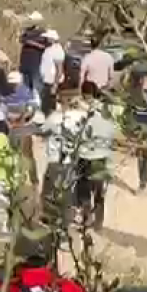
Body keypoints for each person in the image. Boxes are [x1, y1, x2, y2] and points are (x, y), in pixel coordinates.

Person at [40, 103, 86, 228]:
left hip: (54, 161)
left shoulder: (54, 117)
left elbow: (42, 131)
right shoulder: (82, 116)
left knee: (49, 190)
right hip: (70, 162)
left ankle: (49, 220)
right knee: (68, 192)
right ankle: (66, 222)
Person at [76, 92, 117, 231]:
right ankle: (99, 222)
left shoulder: (87, 120)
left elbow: (80, 138)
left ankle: (87, 217)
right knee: (99, 193)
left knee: (84, 191)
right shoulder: (111, 123)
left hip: (86, 159)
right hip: (102, 160)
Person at [18, 13, 48, 92]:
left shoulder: (44, 32)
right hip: (25, 61)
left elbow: (45, 45)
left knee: (36, 85)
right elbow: (21, 39)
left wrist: (32, 43)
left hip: (36, 62)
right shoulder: (27, 30)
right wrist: (33, 43)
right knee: (25, 85)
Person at [38, 30, 66, 115]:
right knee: (45, 105)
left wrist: (55, 85)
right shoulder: (49, 49)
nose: (46, 39)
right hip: (46, 81)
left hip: (51, 82)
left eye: (47, 38)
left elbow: (59, 70)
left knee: (48, 106)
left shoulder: (57, 50)